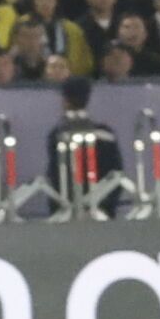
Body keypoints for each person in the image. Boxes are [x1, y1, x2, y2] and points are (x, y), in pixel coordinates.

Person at [49, 76, 126, 216]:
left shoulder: (57, 136)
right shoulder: (106, 135)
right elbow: (116, 175)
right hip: (102, 211)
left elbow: (55, 176)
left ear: (65, 100)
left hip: (66, 212)